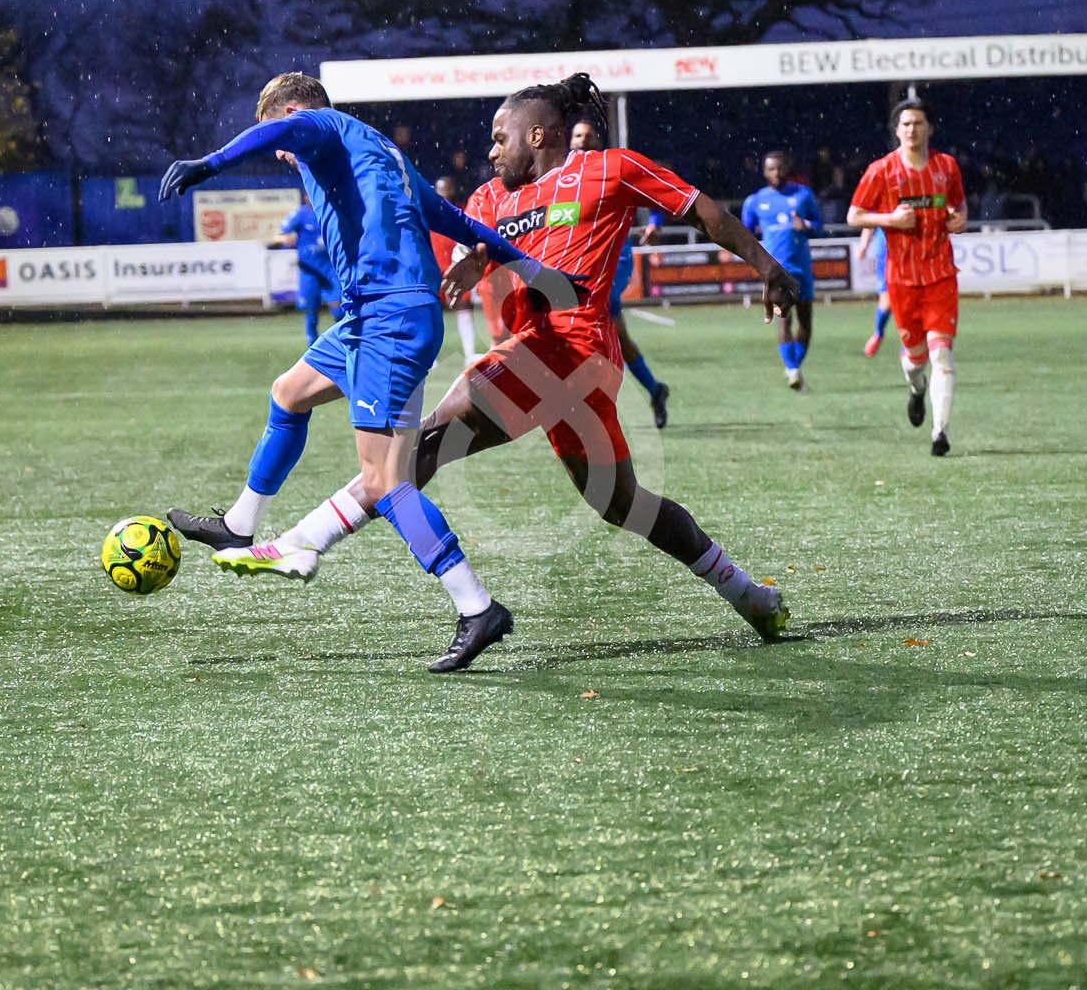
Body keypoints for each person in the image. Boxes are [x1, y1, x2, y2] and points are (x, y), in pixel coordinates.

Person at [210, 73, 799, 649]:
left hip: (571, 348)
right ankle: (747, 593)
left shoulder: (609, 169)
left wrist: (767, 266)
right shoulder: (490, 198)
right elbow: (484, 243)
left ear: (537, 135)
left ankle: (303, 540)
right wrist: (475, 262)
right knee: (622, 503)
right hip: (546, 359)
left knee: (424, 444)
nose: (490, 150)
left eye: (500, 137)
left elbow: (704, 213)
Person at [156, 71, 582, 673]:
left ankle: (476, 605)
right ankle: (238, 525)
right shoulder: (381, 153)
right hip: (370, 316)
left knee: (384, 480)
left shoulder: (322, 125)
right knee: (289, 392)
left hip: (390, 319)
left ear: (293, 111)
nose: (282, 151)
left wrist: (210, 162)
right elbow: (459, 224)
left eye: (278, 133)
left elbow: (295, 128)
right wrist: (540, 275)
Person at [844, 99, 970, 457]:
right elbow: (855, 215)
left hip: (941, 275)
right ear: (897, 130)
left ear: (929, 128)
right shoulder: (881, 171)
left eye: (918, 123)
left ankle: (939, 433)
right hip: (901, 281)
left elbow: (958, 206)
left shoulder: (946, 166)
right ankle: (916, 390)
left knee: (942, 354)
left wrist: (960, 218)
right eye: (906, 124)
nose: (912, 129)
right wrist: (890, 220)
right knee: (914, 360)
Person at [571, 115, 669, 428]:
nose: (583, 141)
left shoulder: (612, 169)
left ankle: (595, 406)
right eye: (577, 136)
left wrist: (654, 223)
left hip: (614, 259)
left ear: (598, 140)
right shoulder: (560, 175)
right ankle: (655, 390)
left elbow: (655, 191)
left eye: (588, 136)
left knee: (596, 318)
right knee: (618, 337)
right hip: (580, 261)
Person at [741, 150, 823, 389]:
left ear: (787, 168)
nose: (776, 172)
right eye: (771, 168)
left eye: (780, 168)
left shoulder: (803, 195)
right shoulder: (755, 201)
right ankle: (792, 369)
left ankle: (794, 366)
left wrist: (805, 224)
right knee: (783, 319)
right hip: (776, 271)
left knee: (806, 321)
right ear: (765, 172)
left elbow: (819, 227)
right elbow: (745, 234)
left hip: (802, 268)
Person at [429, 176, 480, 363]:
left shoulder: (462, 210)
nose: (445, 193)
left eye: (448, 189)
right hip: (434, 269)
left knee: (463, 308)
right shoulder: (429, 211)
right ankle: (431, 357)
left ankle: (469, 353)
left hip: (456, 267)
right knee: (431, 312)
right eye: (441, 190)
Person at [271, 200, 337, 344]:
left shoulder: (333, 208)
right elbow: (276, 237)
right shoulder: (300, 214)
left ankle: (344, 344)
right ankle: (312, 347)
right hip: (309, 270)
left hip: (331, 268)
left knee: (340, 308)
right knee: (311, 311)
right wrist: (284, 238)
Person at [854, 226, 891, 356]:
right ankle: (878, 333)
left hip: (912, 244)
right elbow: (868, 219)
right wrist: (864, 245)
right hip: (886, 248)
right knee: (887, 301)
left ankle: (910, 343)